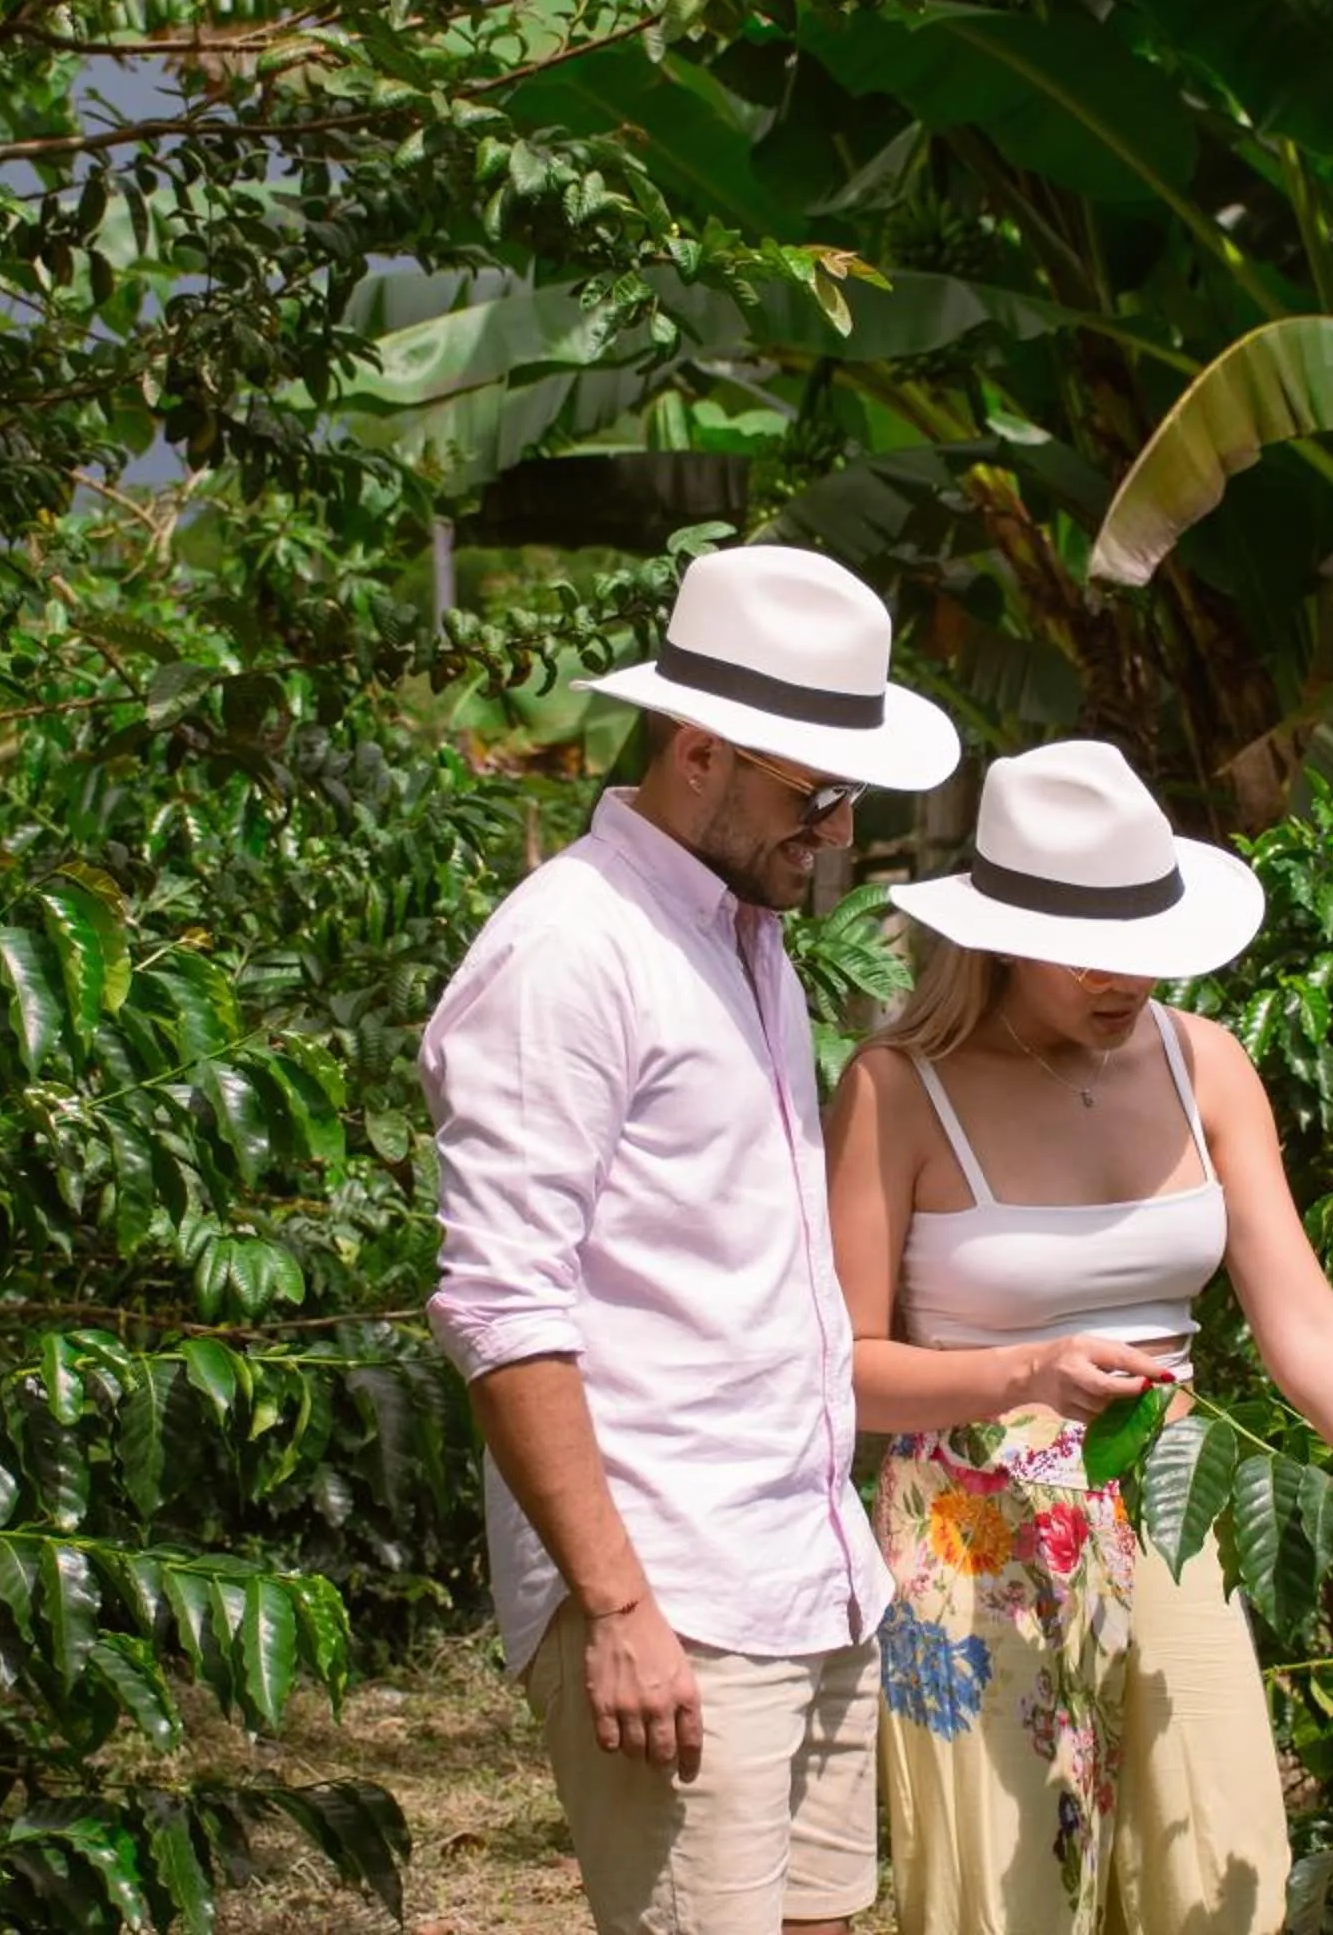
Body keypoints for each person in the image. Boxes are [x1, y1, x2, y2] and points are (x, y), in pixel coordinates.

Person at [824, 740, 1333, 1935]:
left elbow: (1306, 1323)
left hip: (1171, 1506)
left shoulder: (1202, 1060)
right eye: (1086, 947)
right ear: (1003, 928)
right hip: (970, 1539)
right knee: (1007, 1898)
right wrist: (1021, 1370)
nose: (1122, 976)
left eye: (1143, 941)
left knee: (1219, 1864)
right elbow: (843, 1371)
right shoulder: (898, 1088)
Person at [421, 544, 959, 1935]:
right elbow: (500, 1310)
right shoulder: (568, 955)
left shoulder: (746, 937)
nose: (838, 829)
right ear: (701, 750)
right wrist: (616, 1609)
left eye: (851, 796)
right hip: (674, 1584)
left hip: (805, 1569)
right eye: (816, 793)